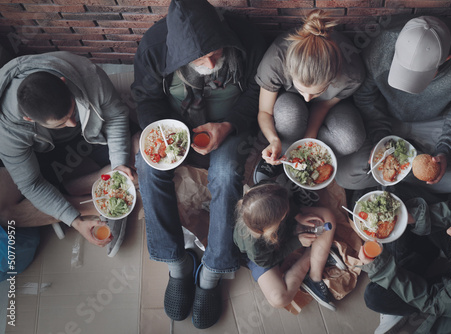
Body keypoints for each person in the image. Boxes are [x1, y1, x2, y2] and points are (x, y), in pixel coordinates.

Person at [131, 0, 266, 328]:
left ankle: (214, 270)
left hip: (228, 130)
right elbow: (146, 98)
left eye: (216, 51)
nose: (210, 61)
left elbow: (257, 91)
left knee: (225, 172)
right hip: (177, 130)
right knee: (147, 165)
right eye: (199, 57)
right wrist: (165, 133)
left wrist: (230, 124)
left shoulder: (249, 39)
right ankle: (176, 262)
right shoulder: (152, 47)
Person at [336, 16, 451, 193]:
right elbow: (366, 98)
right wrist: (380, 138)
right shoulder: (379, 45)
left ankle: (406, 178)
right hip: (386, 119)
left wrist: (446, 151)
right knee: (345, 175)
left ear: (446, 59)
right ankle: (414, 178)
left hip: (437, 123)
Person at [0, 51, 133, 257]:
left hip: (92, 133)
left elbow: (116, 116)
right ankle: (100, 205)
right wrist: (74, 220)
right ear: (29, 119)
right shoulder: (7, 131)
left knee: (142, 149)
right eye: (61, 123)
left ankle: (105, 187)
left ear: (63, 82)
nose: (71, 124)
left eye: (71, 113)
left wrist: (118, 163)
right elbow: (31, 184)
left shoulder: (88, 74)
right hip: (42, 153)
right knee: (7, 215)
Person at [357, 190, 451, 334]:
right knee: (397, 199)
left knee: (374, 296)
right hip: (443, 248)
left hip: (442, 290)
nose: (448, 231)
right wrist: (414, 217)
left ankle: (411, 264)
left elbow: (432, 301)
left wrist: (383, 269)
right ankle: (420, 255)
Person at [253, 9, 366, 184]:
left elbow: (323, 105)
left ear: (332, 78)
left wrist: (309, 138)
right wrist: (273, 139)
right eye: (302, 89)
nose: (307, 98)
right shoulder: (276, 59)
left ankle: (301, 156)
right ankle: (284, 154)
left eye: (317, 91)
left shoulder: (352, 74)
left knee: (351, 139)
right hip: (289, 103)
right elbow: (265, 112)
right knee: (290, 115)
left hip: (330, 107)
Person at [234, 183, 344, 311]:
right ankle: (311, 255)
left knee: (327, 217)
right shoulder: (255, 247)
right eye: (285, 212)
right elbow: (268, 261)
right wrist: (297, 242)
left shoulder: (265, 191)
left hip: (282, 227)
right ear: (273, 228)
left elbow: (285, 201)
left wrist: (299, 215)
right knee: (279, 299)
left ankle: (315, 277)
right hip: (267, 257)